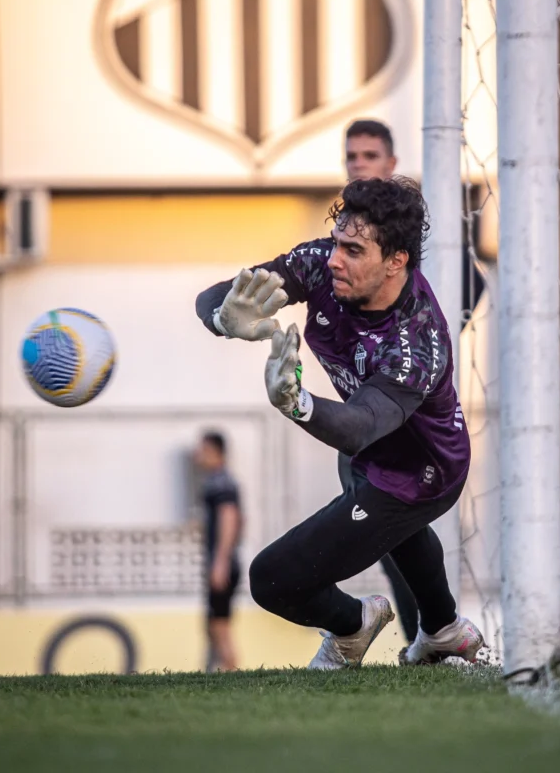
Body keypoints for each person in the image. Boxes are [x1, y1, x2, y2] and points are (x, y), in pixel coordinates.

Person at [195, 177, 484, 669]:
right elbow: (215, 296)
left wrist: (296, 402)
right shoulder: (322, 266)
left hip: (421, 472)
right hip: (367, 451)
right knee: (389, 524)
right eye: (336, 242)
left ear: (396, 261)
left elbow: (360, 426)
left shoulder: (416, 338)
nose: (334, 259)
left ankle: (354, 624)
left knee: (272, 580)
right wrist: (225, 318)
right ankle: (442, 628)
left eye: (353, 249)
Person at [342, 119, 419, 644]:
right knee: (384, 530)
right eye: (351, 156)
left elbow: (469, 282)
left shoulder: (410, 227)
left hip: (405, 405)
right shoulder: (347, 232)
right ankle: (427, 633)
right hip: (360, 407)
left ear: (391, 164)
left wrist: (416, 358)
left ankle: (423, 630)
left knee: (394, 521)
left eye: (370, 154)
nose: (360, 163)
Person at [195, 430, 242, 672]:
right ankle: (219, 669)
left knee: (220, 624)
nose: (198, 455)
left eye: (202, 450)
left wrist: (221, 560)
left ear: (215, 452)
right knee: (213, 622)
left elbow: (230, 517)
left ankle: (230, 668)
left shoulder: (221, 481)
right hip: (222, 561)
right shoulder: (218, 480)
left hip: (223, 563)